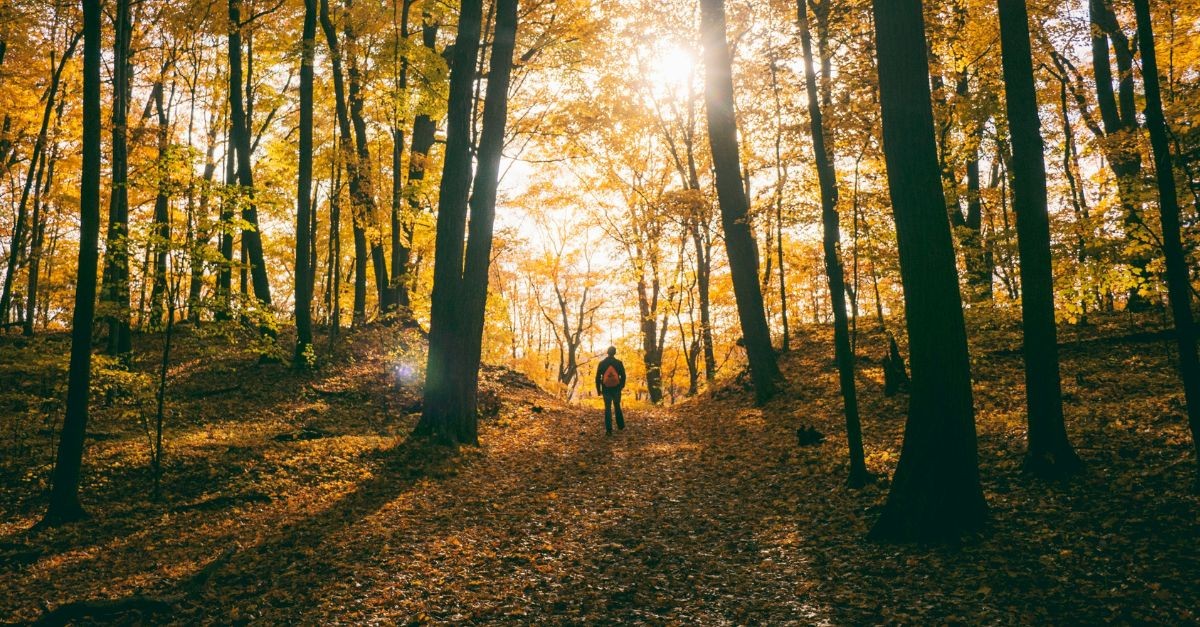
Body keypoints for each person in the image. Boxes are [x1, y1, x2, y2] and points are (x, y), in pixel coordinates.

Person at [594, 346, 626, 435]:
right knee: (617, 406)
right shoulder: (618, 363)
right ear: (614, 353)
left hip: (605, 388)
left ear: (607, 352)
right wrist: (621, 386)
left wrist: (598, 389)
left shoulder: (602, 363)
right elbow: (623, 376)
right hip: (616, 388)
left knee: (607, 408)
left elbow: (597, 377)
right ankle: (620, 426)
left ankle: (609, 430)